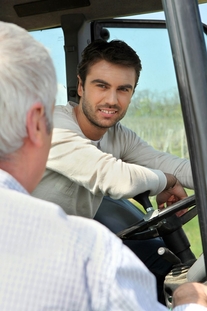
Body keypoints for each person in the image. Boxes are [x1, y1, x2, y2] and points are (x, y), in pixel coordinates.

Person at [1, 20, 207, 311]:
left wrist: (178, 175)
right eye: (102, 86)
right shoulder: (55, 128)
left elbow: (171, 163)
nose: (112, 99)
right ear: (81, 86)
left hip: (64, 251)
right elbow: (113, 178)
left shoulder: (118, 136)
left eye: (123, 89)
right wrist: (167, 180)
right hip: (25, 256)